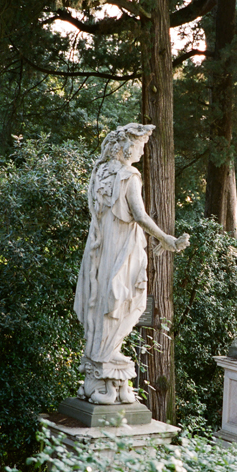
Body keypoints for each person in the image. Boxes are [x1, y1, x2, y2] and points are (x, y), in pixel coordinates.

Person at [74, 123, 189, 404]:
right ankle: (106, 354)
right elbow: (138, 214)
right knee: (122, 298)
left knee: (102, 295)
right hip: (122, 248)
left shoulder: (99, 172)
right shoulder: (128, 175)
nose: (141, 151)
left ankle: (99, 351)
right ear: (126, 147)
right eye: (140, 146)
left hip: (100, 248)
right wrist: (166, 239)